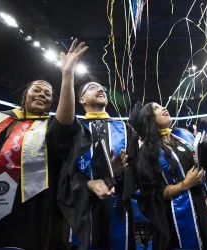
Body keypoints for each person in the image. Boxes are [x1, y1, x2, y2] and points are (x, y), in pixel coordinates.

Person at [0, 40, 88, 250]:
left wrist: (67, 75)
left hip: (34, 201)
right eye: (37, 90)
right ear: (24, 96)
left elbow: (65, 126)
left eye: (47, 93)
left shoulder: (50, 125)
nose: (42, 94)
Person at [49, 39, 138, 250]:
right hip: (79, 210)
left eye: (101, 87)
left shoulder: (126, 130)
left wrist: (115, 173)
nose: (100, 89)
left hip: (116, 210)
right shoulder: (75, 129)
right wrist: (68, 75)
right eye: (91, 87)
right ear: (81, 99)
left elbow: (138, 173)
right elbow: (64, 175)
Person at [128, 101, 207, 250]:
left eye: (161, 105)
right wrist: (185, 184)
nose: (163, 108)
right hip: (173, 219)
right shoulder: (147, 152)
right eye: (156, 108)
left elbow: (205, 163)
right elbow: (152, 195)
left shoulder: (182, 136)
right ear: (149, 119)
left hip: (201, 206)